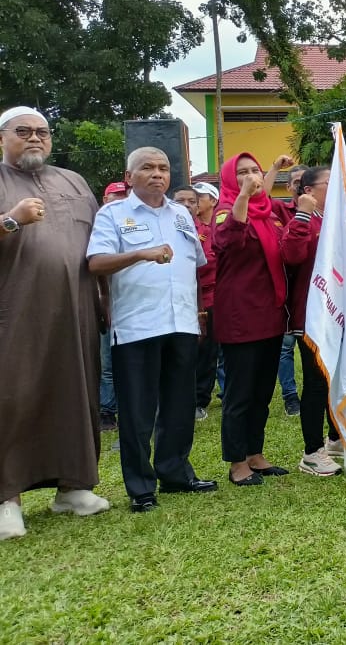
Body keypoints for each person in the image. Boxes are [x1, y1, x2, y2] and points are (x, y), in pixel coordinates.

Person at [0, 106, 110, 540]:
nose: (34, 138)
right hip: (15, 313)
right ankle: (7, 499)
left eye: (42, 132)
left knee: (76, 395)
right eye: (22, 131)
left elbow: (100, 245)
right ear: (2, 137)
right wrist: (12, 220)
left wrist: (105, 302)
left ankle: (74, 486)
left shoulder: (73, 181)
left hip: (77, 311)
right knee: (14, 400)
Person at [86, 148, 216, 512]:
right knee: (139, 411)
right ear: (130, 177)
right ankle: (141, 487)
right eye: (147, 168)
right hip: (137, 325)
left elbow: (193, 268)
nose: (157, 174)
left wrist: (199, 313)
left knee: (179, 405)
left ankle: (175, 473)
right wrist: (140, 254)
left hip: (182, 322)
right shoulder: (113, 214)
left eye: (163, 168)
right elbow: (95, 263)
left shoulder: (181, 215)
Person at [213, 153, 295, 486]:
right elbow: (230, 239)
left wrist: (273, 169)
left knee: (262, 391)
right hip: (240, 316)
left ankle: (255, 454)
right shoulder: (224, 212)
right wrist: (244, 194)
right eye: (243, 174)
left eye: (254, 171)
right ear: (232, 181)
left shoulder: (268, 212)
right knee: (240, 392)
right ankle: (236, 463)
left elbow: (264, 189)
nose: (252, 177)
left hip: (270, 314)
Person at [281, 166, 343, 475]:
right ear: (309, 191)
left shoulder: (336, 219)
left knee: (336, 378)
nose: (337, 188)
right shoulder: (303, 219)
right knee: (317, 382)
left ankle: (335, 438)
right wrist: (303, 216)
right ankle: (311, 451)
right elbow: (291, 256)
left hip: (339, 312)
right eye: (330, 183)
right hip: (311, 314)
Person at [189, 182, 223, 419]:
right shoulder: (190, 226)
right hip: (189, 295)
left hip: (212, 297)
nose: (195, 201)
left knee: (208, 352)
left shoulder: (218, 228)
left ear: (212, 201)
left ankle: (200, 400)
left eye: (199, 197)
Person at [276, 163, 307, 417]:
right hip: (285, 291)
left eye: (304, 181)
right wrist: (275, 167)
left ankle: (315, 393)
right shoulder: (278, 209)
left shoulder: (324, 212)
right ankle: (290, 397)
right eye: (296, 181)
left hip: (309, 292)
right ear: (288, 186)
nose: (300, 185)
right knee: (285, 349)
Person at [98, 180, 129, 432]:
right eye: (115, 196)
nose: (119, 200)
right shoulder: (98, 225)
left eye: (123, 196)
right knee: (107, 362)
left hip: (131, 304)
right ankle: (107, 412)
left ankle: (127, 410)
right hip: (104, 302)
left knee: (128, 364)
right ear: (104, 199)